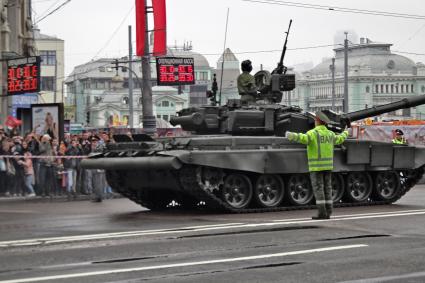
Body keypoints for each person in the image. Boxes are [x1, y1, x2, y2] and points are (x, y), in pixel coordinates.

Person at [286, 111, 349, 220]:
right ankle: (328, 212)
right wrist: (346, 132)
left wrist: (291, 135)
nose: (315, 121)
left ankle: (322, 213)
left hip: (316, 167)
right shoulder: (330, 134)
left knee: (318, 189)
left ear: (318, 121)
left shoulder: (313, 133)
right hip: (328, 166)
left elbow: (302, 138)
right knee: (328, 188)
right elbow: (340, 139)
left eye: (315, 120)